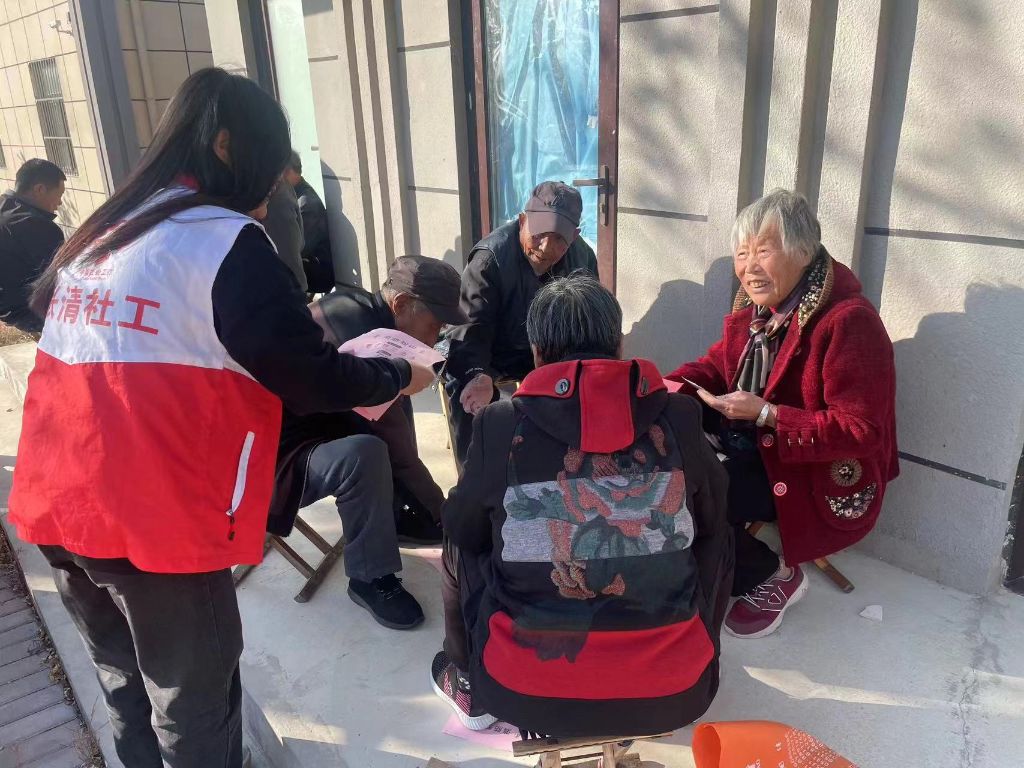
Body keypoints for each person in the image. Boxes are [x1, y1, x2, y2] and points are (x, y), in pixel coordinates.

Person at [7, 68, 434, 768]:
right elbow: (311, 377)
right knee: (193, 709)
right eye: (269, 172)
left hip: (57, 502)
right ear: (227, 146)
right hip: (152, 523)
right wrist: (400, 375)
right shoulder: (220, 240)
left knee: (123, 686)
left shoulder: (105, 231)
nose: (272, 195)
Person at [432, 274, 733, 737]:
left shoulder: (500, 425)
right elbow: (714, 522)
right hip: (678, 691)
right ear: (619, 346)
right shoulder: (679, 415)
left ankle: (468, 680)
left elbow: (463, 527)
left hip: (521, 691)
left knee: (458, 543)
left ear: (537, 353)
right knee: (718, 531)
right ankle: (683, 645)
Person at [668, 189, 898, 639]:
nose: (749, 267)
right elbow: (715, 367)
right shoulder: (760, 311)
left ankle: (773, 575)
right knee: (666, 472)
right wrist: (663, 384)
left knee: (689, 503)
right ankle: (717, 555)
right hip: (757, 446)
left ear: (804, 252)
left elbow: (862, 430)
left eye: (763, 252)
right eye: (742, 253)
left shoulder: (849, 321)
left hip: (810, 470)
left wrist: (769, 414)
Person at [272, 255, 468, 629]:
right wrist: (445, 515)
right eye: (434, 325)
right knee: (367, 453)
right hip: (275, 460)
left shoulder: (361, 310)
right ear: (401, 304)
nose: (435, 338)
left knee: (391, 404)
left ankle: (396, 516)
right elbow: (398, 450)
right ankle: (370, 578)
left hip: (309, 431)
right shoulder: (368, 343)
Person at [444, 181, 598, 467]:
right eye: (539, 234)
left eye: (559, 239)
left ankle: (563, 466)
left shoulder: (583, 257)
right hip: (492, 351)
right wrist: (477, 374)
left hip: (547, 353)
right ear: (523, 220)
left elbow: (589, 322)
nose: (546, 248)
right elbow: (469, 329)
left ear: (575, 236)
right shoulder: (489, 259)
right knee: (465, 386)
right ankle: (474, 476)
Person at [0, 159, 66, 334]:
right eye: (59, 195)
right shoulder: (36, 225)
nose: (60, 203)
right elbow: (61, 278)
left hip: (8, 306)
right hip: (28, 312)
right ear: (40, 189)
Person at [283, 150, 334, 292]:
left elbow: (298, 249)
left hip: (319, 271)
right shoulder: (295, 195)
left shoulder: (306, 202)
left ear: (288, 172)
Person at [262, 174, 307, 292]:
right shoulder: (283, 186)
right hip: (291, 285)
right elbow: (301, 243)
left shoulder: (275, 196)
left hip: (283, 288)